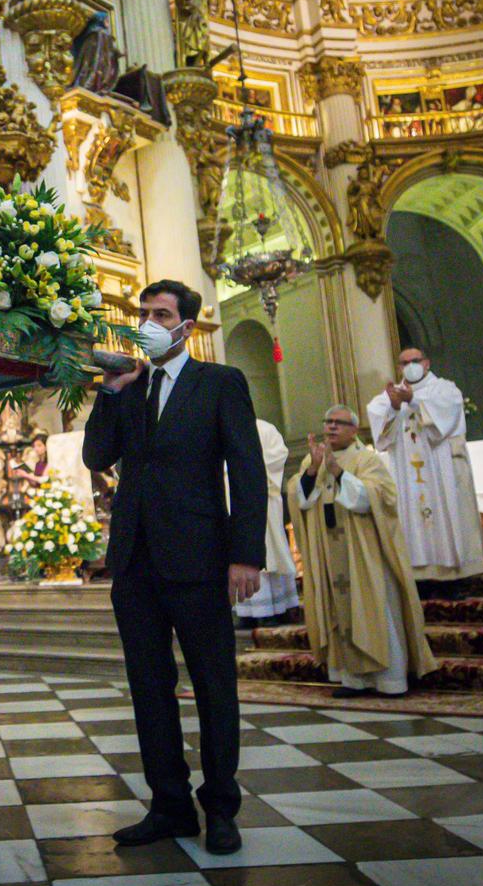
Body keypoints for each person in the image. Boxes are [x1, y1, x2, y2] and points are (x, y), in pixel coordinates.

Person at [83, 279, 265, 856]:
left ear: (185, 326)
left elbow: (248, 470)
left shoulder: (219, 384)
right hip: (135, 561)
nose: (148, 322)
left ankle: (221, 807)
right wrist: (110, 391)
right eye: (143, 313)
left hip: (201, 557)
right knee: (148, 686)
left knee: (214, 686)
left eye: (160, 314)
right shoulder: (129, 388)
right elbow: (95, 456)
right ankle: (168, 805)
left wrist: (245, 554)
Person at [289, 406, 438, 698]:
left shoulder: (367, 458)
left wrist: (337, 472)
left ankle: (390, 679)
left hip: (364, 552)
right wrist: (311, 470)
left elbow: (378, 497)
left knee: (373, 608)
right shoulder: (313, 459)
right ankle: (352, 680)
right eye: (327, 422)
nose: (330, 427)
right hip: (330, 552)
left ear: (354, 430)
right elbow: (301, 499)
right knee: (340, 611)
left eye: (338, 423)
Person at [366, 348, 483, 598]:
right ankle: (420, 577)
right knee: (412, 519)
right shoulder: (388, 397)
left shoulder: (444, 389)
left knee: (445, 515)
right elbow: (380, 431)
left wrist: (412, 402)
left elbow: (446, 418)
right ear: (399, 367)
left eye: (415, 361)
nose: (410, 366)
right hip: (408, 473)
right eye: (404, 363)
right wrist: (394, 407)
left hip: (439, 467)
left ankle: (452, 577)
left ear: (427, 363)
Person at [233, 419, 301, 629]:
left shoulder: (265, 428)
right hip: (232, 500)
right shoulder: (225, 427)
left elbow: (277, 455)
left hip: (263, 501)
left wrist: (245, 469)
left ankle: (273, 609)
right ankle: (245, 611)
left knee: (269, 553)